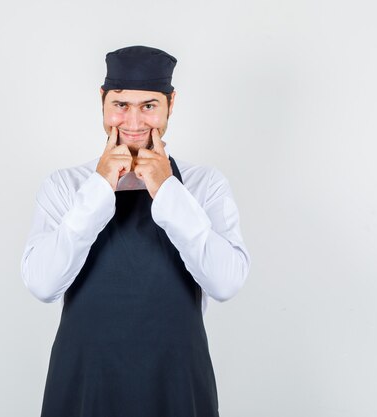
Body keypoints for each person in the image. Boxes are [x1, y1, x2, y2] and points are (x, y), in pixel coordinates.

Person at [20, 45, 251, 417]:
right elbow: (43, 285)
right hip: (86, 379)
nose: (133, 121)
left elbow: (225, 283)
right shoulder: (65, 186)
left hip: (175, 378)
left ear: (170, 105)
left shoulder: (204, 185)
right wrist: (98, 189)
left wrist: (167, 191)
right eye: (120, 104)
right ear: (102, 101)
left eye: (149, 106)